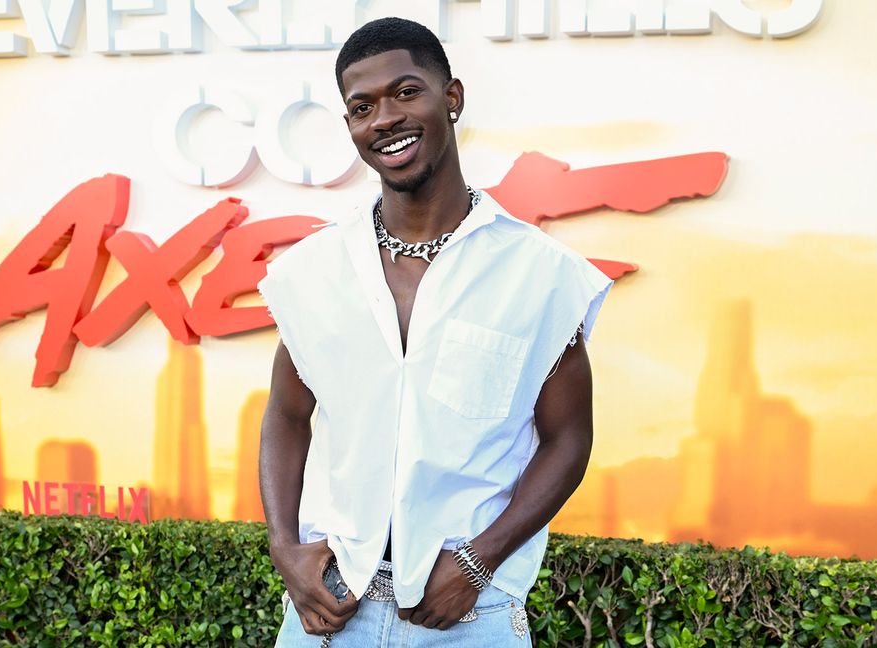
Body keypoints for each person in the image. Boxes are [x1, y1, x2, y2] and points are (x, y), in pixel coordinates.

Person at [258, 16, 612, 647]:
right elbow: (287, 414)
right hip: (328, 607)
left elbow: (567, 439)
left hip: (467, 616)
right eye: (362, 107)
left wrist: (481, 561)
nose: (385, 118)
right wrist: (286, 549)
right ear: (350, 129)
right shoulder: (315, 271)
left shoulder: (539, 274)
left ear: (452, 98)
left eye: (406, 92)